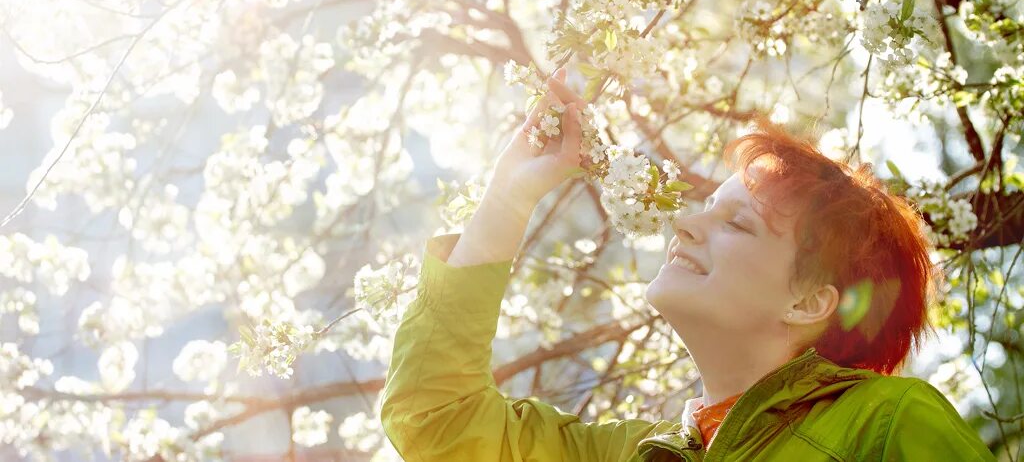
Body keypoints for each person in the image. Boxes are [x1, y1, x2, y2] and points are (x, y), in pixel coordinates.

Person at [380, 66, 997, 461]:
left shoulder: (885, 423)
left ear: (808, 301)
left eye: (735, 223)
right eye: (707, 207)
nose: (683, 223)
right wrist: (508, 197)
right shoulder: (628, 455)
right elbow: (437, 420)